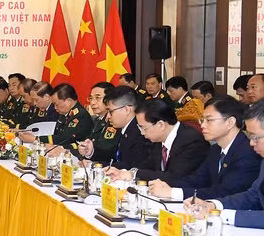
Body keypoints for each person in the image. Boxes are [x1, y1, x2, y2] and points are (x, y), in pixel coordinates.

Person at [148, 96, 259, 200]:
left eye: (209, 120)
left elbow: (224, 192)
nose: (202, 125)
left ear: (230, 122)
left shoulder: (248, 152)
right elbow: (197, 179)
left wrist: (173, 192)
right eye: (202, 120)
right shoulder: (215, 150)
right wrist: (167, 185)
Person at [185, 100, 264, 228]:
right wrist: (212, 205)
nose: (251, 143)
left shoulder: (249, 154)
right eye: (250, 137)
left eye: (255, 137)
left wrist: (220, 215)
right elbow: (253, 196)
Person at [106, 99, 209, 183]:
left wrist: (134, 173)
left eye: (143, 128)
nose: (142, 133)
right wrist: (123, 172)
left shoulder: (191, 141)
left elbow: (174, 177)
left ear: (161, 125)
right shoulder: (160, 139)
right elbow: (148, 165)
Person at [80, 86, 153, 168]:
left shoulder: (140, 132)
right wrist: (91, 151)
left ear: (126, 110)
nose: (107, 117)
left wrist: (95, 165)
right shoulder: (124, 128)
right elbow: (113, 155)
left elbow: (130, 166)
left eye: (111, 111)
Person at [21, 83, 92, 147]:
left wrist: (36, 139)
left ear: (68, 101)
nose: (55, 108)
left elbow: (65, 139)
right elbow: (57, 134)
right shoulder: (64, 113)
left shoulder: (80, 116)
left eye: (56, 104)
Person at [72, 82, 118, 159]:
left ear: (110, 99)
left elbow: (106, 151)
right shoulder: (98, 120)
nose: (92, 103)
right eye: (91, 98)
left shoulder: (115, 122)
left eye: (98, 98)